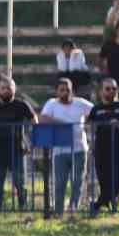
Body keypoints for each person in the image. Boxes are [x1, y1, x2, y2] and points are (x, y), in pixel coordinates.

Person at [0, 76, 34, 211]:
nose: (6, 91)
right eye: (3, 88)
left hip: (18, 149)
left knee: (20, 182)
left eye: (9, 88)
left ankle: (23, 207)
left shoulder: (22, 105)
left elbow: (34, 120)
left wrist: (32, 142)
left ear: (14, 89)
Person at [39, 77, 92, 214]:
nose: (65, 92)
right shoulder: (51, 103)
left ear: (72, 90)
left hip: (79, 148)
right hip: (59, 150)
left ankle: (73, 209)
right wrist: (63, 125)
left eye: (67, 90)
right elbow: (43, 119)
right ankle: (58, 211)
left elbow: (95, 112)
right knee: (59, 182)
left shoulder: (80, 103)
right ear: (57, 91)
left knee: (77, 182)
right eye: (62, 90)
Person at [86, 79, 119, 214]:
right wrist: (90, 148)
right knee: (105, 183)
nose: (111, 91)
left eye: (114, 88)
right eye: (108, 89)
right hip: (101, 151)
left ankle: (97, 205)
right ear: (101, 91)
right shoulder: (96, 109)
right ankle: (110, 207)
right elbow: (90, 131)